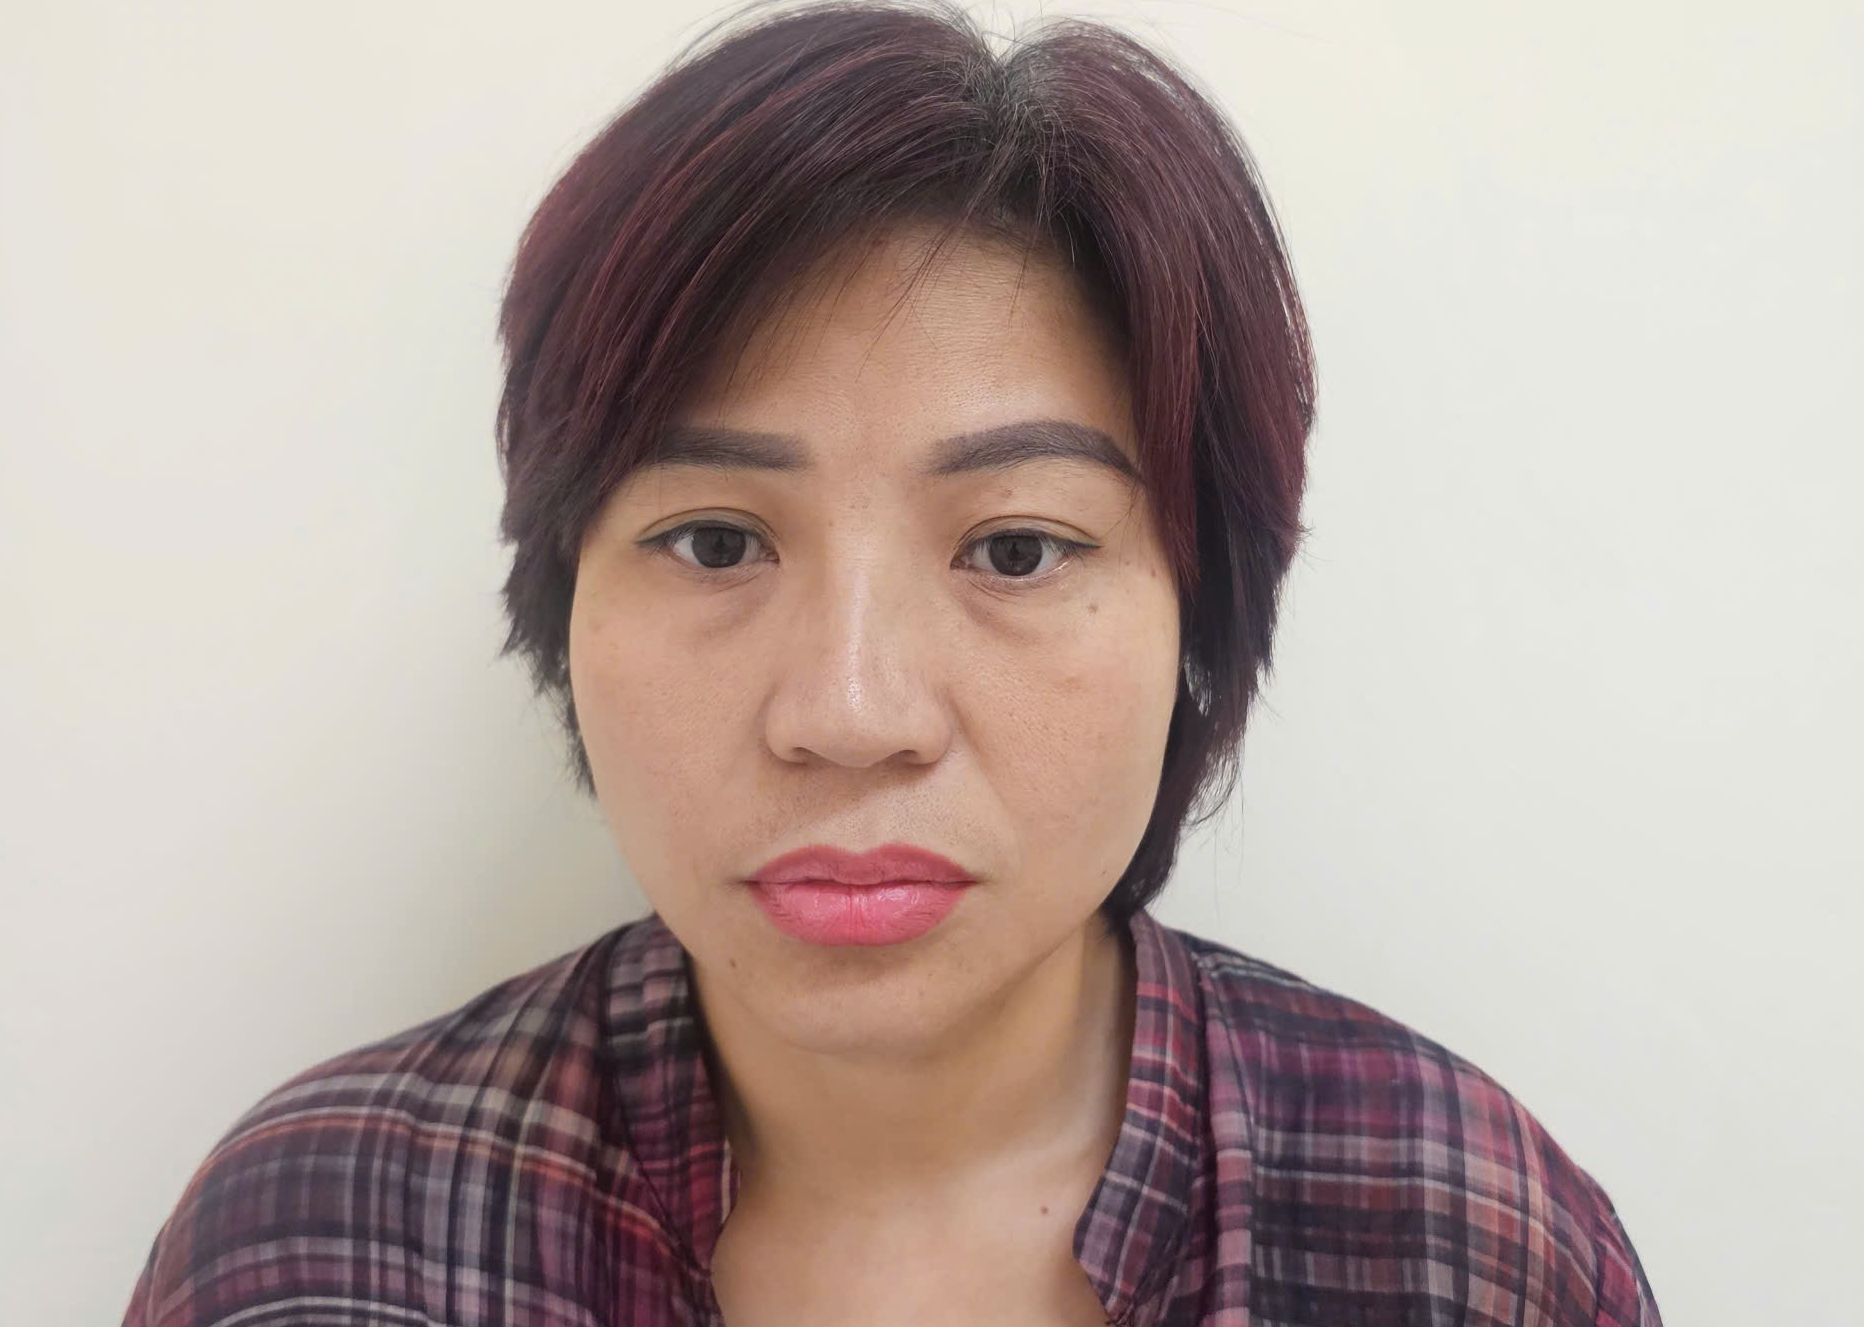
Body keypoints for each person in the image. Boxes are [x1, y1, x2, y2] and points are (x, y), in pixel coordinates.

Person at [120, 1, 1663, 1323]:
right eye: (715, 540)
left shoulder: (1464, 1240)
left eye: (1017, 549)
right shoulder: (317, 1245)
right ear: (565, 590)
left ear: (1203, 613)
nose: (851, 716)